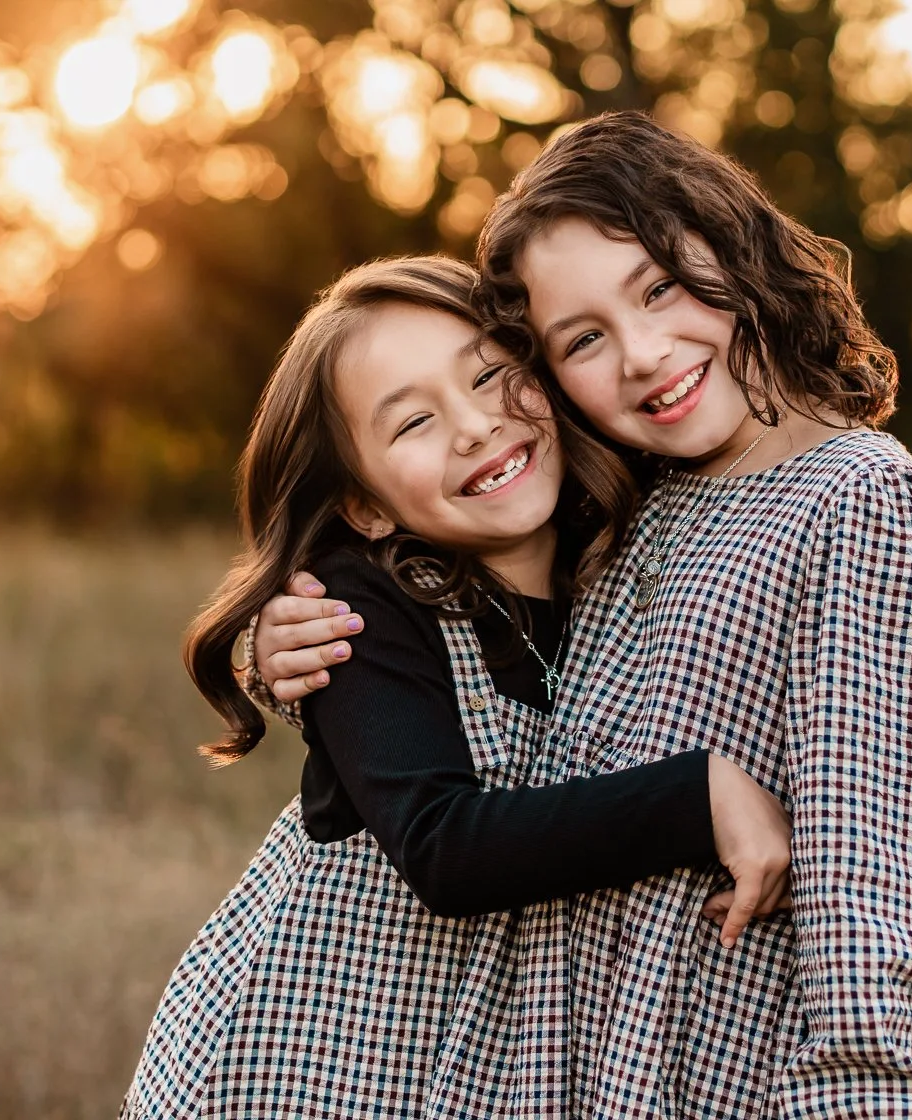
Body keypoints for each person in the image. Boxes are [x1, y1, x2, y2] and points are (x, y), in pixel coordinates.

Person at [253, 112, 912, 1117]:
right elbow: (477, 671)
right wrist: (285, 652)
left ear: (734, 242)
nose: (645, 354)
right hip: (561, 1072)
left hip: (718, 1076)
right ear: (553, 377)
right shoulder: (642, 501)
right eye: (583, 339)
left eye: (658, 286)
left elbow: (877, 926)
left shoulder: (860, 504)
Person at [122, 255, 793, 1120]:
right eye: (414, 424)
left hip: (487, 1071)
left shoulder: (627, 564)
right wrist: (696, 798)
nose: (476, 426)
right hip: (310, 1064)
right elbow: (446, 848)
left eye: (489, 376)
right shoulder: (362, 606)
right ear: (366, 507)